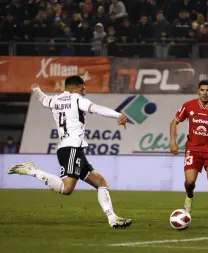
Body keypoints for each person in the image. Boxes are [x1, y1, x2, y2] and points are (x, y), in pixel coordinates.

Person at [7, 76, 132, 229]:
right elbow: (97, 108)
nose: (85, 92)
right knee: (66, 189)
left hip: (70, 149)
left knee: (101, 182)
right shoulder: (77, 99)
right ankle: (31, 170)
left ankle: (113, 219)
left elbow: (43, 99)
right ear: (74, 89)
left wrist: (36, 90)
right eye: (82, 88)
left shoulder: (55, 100)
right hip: (72, 148)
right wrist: (118, 115)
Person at [170, 80, 208, 222]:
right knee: (190, 181)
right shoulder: (188, 106)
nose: (205, 93)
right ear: (198, 91)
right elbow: (174, 122)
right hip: (193, 149)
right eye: (202, 90)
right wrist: (173, 142)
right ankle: (189, 197)